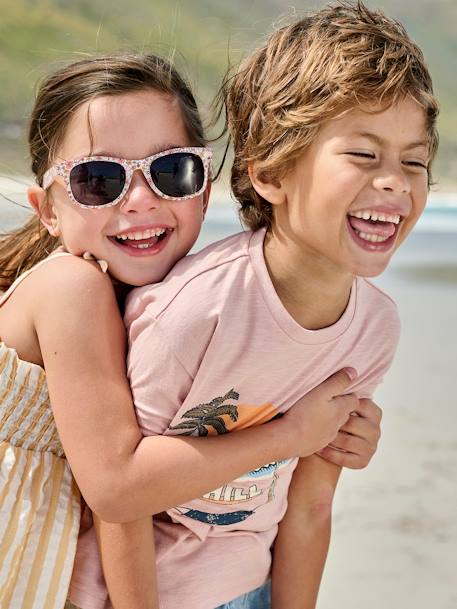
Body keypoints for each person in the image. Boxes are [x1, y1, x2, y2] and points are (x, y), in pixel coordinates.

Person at [0, 52, 381, 609]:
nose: (139, 200)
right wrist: (294, 436)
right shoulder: (71, 289)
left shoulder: (169, 303)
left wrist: (342, 430)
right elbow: (116, 486)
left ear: (203, 189)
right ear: (48, 210)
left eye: (170, 171)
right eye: (98, 180)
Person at [116, 2, 438, 608]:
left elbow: (313, 504)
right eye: (364, 155)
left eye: (414, 161)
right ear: (271, 173)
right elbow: (121, 497)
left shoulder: (374, 328)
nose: (396, 180)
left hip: (252, 587)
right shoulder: (195, 311)